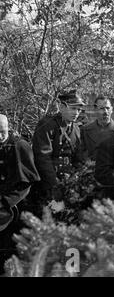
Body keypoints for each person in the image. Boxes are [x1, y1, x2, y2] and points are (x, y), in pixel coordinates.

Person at [0, 114, 40, 273]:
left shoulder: (19, 145)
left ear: (8, 128)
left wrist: (4, 203)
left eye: (2, 132)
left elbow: (27, 182)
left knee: (11, 252)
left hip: (16, 206)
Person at [32, 89, 85, 200]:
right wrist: (54, 185)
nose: (76, 113)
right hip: (48, 183)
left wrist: (76, 180)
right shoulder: (47, 124)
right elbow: (43, 158)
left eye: (79, 109)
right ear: (61, 107)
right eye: (73, 108)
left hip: (69, 181)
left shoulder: (76, 129)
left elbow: (78, 158)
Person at [80, 96, 114, 161]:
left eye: (108, 108)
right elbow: (81, 152)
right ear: (95, 109)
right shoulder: (85, 130)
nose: (105, 112)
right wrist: (87, 160)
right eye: (102, 108)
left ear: (112, 109)